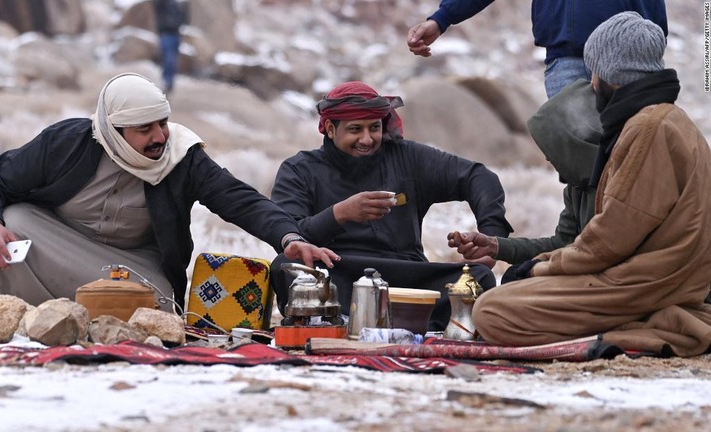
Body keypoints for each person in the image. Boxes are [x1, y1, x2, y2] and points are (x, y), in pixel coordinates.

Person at [0, 72, 339, 314]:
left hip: (132, 265)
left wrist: (288, 236)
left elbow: (240, 200)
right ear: (115, 129)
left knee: (159, 310)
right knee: (14, 219)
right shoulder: (68, 142)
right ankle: (21, 312)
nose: (160, 137)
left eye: (163, 123)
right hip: (59, 243)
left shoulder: (182, 157)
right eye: (145, 129)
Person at [472, 12, 711, 357]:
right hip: (650, 280)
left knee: (491, 311)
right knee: (511, 295)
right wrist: (519, 258)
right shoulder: (667, 121)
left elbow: (610, 241)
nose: (593, 82)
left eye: (594, 70)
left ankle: (650, 327)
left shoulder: (647, 129)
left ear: (610, 73)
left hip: (644, 286)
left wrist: (540, 267)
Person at [269, 81, 513, 331]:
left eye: (374, 128)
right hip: (338, 273)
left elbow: (479, 178)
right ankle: (356, 322)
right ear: (330, 129)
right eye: (355, 129)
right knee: (285, 268)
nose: (367, 139)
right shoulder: (299, 169)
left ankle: (397, 323)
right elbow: (288, 234)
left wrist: (491, 239)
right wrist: (340, 214)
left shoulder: (408, 157)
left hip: (406, 276)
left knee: (477, 277)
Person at [448, 78, 600, 280]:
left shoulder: (610, 181)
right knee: (513, 277)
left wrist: (537, 268)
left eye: (553, 150)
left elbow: (596, 254)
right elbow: (562, 243)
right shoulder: (576, 184)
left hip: (601, 279)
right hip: (579, 270)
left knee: (499, 296)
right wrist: (496, 246)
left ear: (573, 146)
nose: (547, 158)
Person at [407, 0, 667, 98]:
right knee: (577, 168)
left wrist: (650, 51)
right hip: (566, 62)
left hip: (625, 59)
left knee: (634, 156)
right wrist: (442, 18)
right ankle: (587, 221)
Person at [152, 0, 185, 93]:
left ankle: (170, 81)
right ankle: (166, 80)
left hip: (176, 33)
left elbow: (181, 16)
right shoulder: (162, 3)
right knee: (168, 58)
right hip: (166, 33)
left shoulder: (174, 4)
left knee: (173, 59)